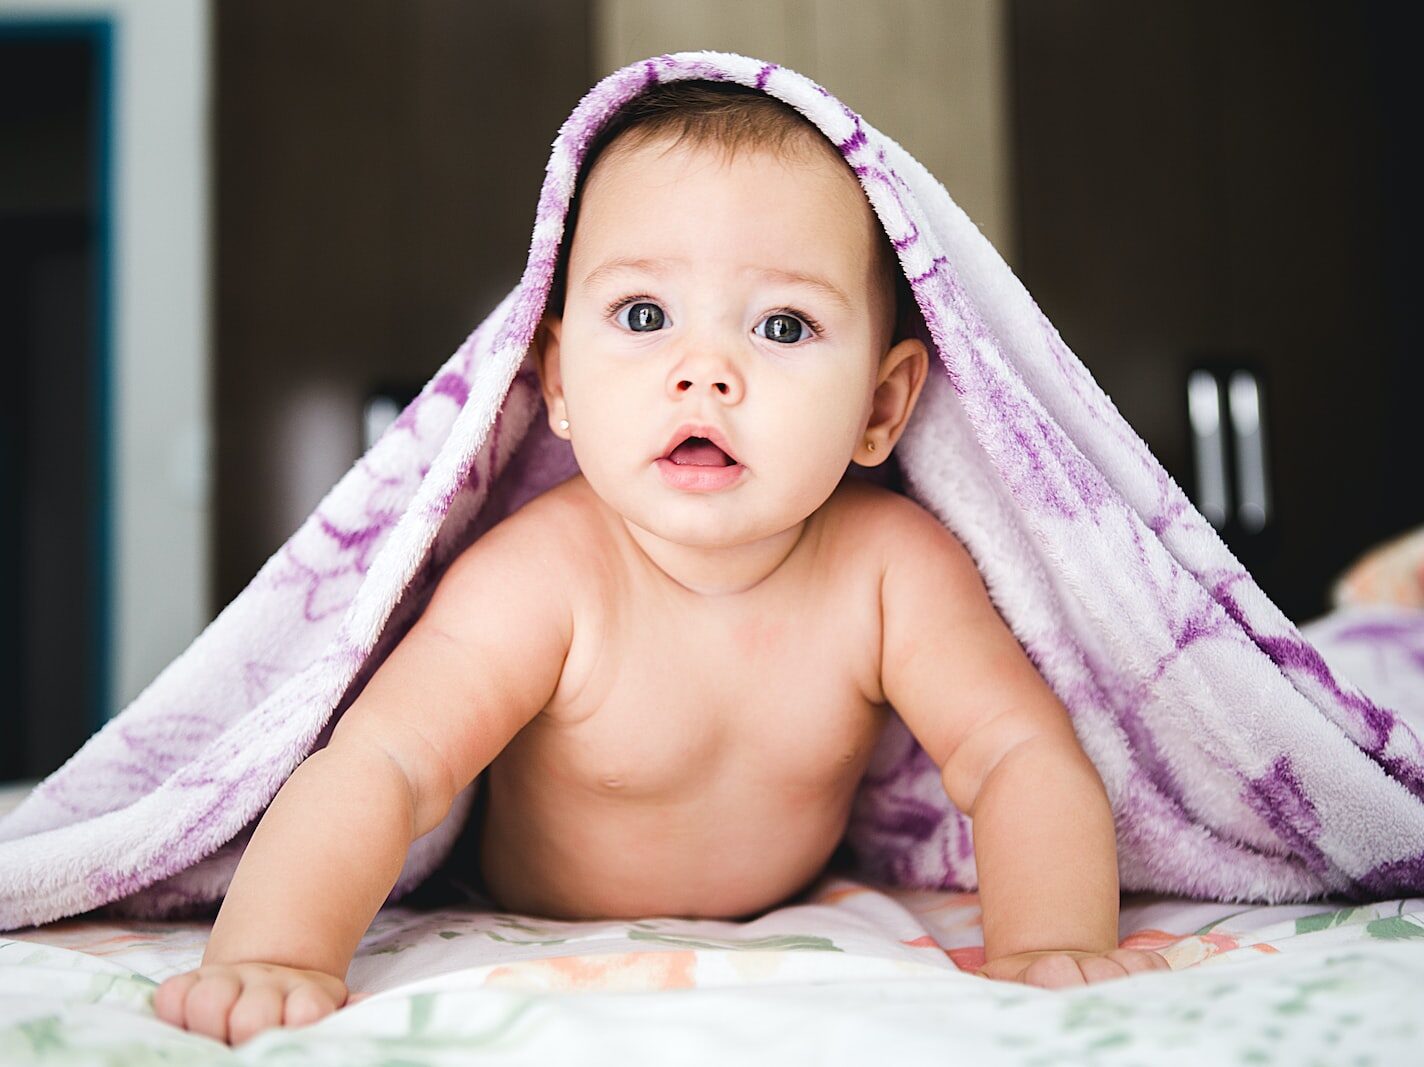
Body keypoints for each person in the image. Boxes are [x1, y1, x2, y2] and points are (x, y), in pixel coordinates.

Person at [155, 81, 1168, 1045]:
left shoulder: (891, 571)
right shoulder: (543, 577)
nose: (704, 372)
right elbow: (387, 764)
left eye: (782, 325)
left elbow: (1016, 753)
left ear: (880, 404)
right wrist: (277, 952)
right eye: (644, 315)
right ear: (557, 380)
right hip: (532, 912)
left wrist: (1049, 942)